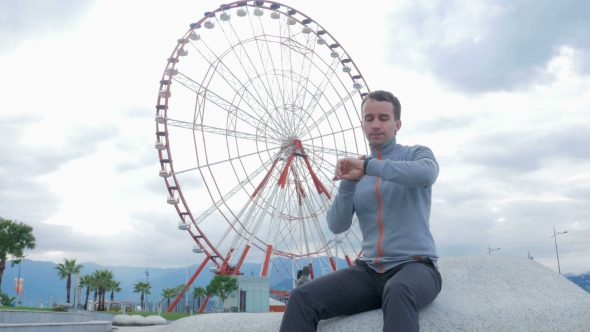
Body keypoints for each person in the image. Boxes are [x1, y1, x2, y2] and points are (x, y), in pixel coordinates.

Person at [279, 90, 442, 332]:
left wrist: (369, 166)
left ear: (397, 124)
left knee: (399, 290)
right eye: (369, 118)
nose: (376, 124)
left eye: (383, 118)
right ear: (362, 124)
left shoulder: (415, 154)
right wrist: (348, 184)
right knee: (301, 298)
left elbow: (427, 173)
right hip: (370, 272)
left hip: (415, 267)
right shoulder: (358, 172)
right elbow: (336, 225)